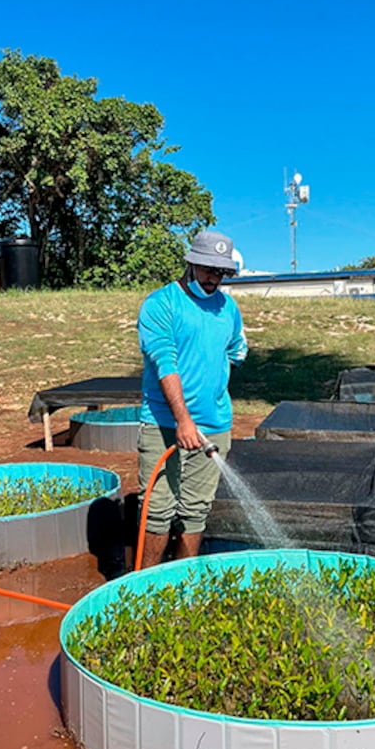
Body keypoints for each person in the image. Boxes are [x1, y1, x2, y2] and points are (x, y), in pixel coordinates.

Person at [137, 229, 248, 567]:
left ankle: (182, 585)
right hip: (164, 423)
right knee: (156, 511)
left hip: (215, 424)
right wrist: (184, 419)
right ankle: (143, 590)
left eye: (221, 272)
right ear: (191, 263)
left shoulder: (228, 308)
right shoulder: (161, 305)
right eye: (208, 269)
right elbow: (165, 364)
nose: (214, 278)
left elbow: (236, 349)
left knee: (196, 510)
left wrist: (233, 355)